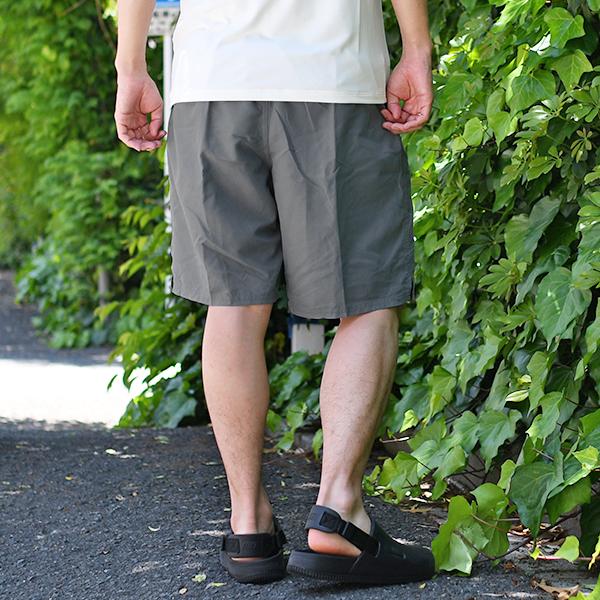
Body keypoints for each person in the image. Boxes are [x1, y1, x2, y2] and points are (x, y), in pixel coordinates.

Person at [114, 0, 435, 586]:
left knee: (233, 306)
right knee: (365, 301)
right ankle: (339, 513)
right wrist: (417, 49)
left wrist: (130, 66)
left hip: (212, 81)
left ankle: (249, 526)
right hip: (333, 75)